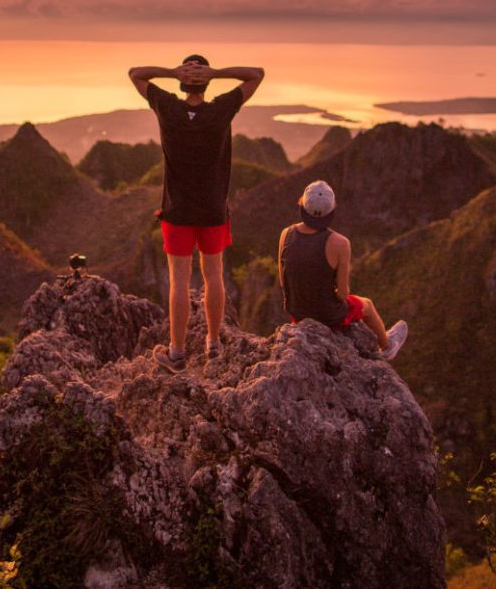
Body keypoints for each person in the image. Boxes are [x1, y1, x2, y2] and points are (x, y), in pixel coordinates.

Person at [129, 55, 264, 371]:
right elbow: (256, 74)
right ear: (206, 83)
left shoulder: (168, 107)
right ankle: (213, 346)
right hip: (213, 210)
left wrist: (170, 71)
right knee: (214, 276)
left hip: (177, 211)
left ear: (181, 82)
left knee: (178, 282)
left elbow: (135, 73)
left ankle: (176, 354)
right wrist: (215, 73)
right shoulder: (219, 110)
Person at [278, 180, 408, 360]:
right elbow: (342, 293)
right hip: (328, 316)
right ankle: (386, 346)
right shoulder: (340, 243)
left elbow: (283, 281)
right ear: (331, 211)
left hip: (297, 312)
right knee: (367, 304)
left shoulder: (286, 234)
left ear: (302, 205)